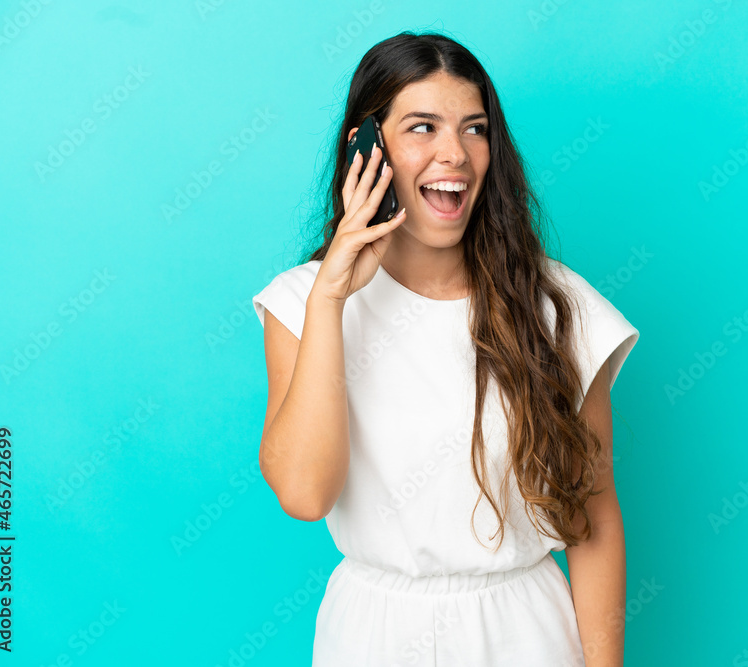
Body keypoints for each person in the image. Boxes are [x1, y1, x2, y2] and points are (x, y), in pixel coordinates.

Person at [252, 30, 639, 667]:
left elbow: (594, 521)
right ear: (366, 148)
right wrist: (332, 299)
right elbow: (303, 493)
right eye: (422, 127)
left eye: (474, 128)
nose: (454, 154)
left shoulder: (557, 306)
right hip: (371, 636)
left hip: (525, 635)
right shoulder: (301, 303)